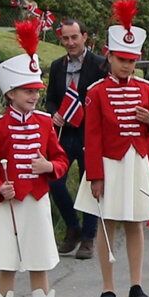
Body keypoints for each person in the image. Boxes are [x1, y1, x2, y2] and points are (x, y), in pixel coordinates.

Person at [0, 21, 66, 297]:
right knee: (7, 265)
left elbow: (60, 159)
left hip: (38, 201)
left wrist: (49, 167)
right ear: (11, 93)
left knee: (40, 263)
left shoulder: (45, 123)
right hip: (9, 206)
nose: (33, 96)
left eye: (36, 91)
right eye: (27, 91)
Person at [77, 0, 149, 297]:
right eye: (122, 59)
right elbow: (92, 137)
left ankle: (136, 284)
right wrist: (95, 176)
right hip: (109, 164)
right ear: (110, 56)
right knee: (107, 223)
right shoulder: (96, 92)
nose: (127, 65)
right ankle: (108, 286)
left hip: (135, 162)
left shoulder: (147, 90)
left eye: (132, 61)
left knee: (135, 223)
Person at [45, 17, 107, 259]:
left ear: (84, 37)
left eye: (74, 37)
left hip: (89, 132)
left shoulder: (100, 65)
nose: (70, 42)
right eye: (66, 38)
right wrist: (54, 114)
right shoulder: (58, 66)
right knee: (54, 179)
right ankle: (73, 225)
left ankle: (89, 237)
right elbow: (50, 98)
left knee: (89, 182)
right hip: (64, 132)